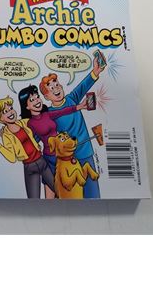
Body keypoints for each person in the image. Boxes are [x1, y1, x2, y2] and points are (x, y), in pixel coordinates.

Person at [40, 52, 106, 198]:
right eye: (51, 88)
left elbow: (83, 86)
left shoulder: (72, 99)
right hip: (66, 161)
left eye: (57, 85)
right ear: (46, 96)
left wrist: (95, 71)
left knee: (92, 194)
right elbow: (40, 133)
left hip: (85, 153)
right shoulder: (48, 114)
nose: (56, 89)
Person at [18, 84, 87, 192]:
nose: (37, 101)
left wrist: (79, 106)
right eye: (32, 100)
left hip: (62, 154)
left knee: (68, 187)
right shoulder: (29, 123)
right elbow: (30, 139)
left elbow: (62, 111)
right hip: (49, 157)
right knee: (52, 187)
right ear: (26, 106)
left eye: (37, 97)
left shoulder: (47, 114)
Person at [0, 96, 55, 199]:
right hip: (29, 167)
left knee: (59, 190)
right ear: (1, 118)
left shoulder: (23, 122)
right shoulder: (6, 135)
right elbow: (12, 158)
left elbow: (37, 121)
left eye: (11, 108)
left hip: (42, 161)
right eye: (5, 112)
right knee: (33, 200)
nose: (10, 112)